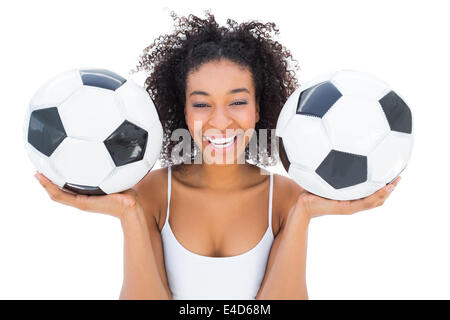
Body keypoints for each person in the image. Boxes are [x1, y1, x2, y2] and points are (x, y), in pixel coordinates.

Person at [34, 12, 401, 300]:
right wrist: (128, 213)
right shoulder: (150, 192)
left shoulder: (289, 197)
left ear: (260, 109)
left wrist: (303, 213)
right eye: (202, 103)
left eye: (238, 101)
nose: (220, 121)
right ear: (183, 111)